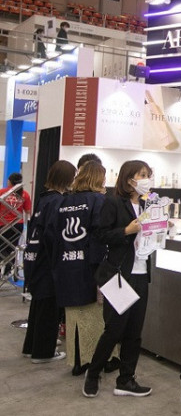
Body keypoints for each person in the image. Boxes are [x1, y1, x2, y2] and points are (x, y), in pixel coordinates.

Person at [83, 160, 154, 398]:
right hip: (119, 275)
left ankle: (126, 379)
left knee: (134, 331)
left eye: (148, 175)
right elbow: (100, 234)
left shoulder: (147, 205)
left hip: (141, 274)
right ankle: (93, 373)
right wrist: (126, 231)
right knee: (114, 329)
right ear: (129, 179)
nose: (146, 179)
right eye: (142, 175)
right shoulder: (113, 203)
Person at [47, 161, 110, 375]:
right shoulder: (98, 201)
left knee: (73, 315)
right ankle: (90, 361)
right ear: (98, 178)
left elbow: (51, 234)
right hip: (88, 267)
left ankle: (76, 360)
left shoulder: (64, 201)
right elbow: (100, 236)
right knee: (92, 316)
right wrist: (101, 268)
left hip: (65, 265)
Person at [22, 160, 76, 363]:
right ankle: (43, 352)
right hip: (48, 262)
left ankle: (32, 347)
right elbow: (53, 235)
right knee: (48, 306)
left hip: (35, 259)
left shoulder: (44, 198)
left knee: (38, 305)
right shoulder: (58, 201)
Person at [0, 172, 32, 256]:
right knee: (12, 248)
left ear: (9, 181)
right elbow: (28, 211)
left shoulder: (2, 192)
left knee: (2, 248)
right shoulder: (24, 194)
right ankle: (11, 263)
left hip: (3, 224)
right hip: (18, 225)